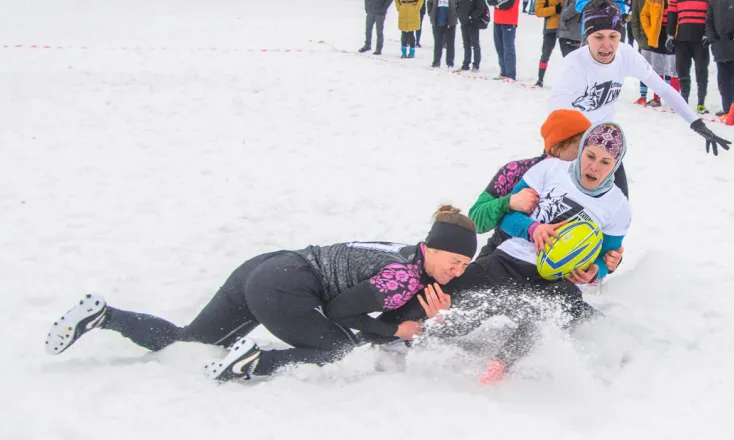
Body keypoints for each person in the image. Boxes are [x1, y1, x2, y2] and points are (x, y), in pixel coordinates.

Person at [45, 206, 478, 382]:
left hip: (268, 268)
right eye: (454, 262)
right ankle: (253, 362)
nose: (456, 272)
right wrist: (392, 331)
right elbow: (339, 310)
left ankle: (104, 316)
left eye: (462, 267)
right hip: (287, 285)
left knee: (189, 342)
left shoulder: (404, 254)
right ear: (433, 247)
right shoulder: (402, 276)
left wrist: (415, 320)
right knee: (336, 349)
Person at [407, 123, 631, 384]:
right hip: (507, 261)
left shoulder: (618, 205)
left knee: (554, 311)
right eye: (590, 156)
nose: (594, 167)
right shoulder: (548, 170)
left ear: (615, 166)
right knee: (451, 295)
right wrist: (532, 229)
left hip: (555, 280)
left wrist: (595, 271)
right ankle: (407, 329)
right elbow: (507, 217)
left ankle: (501, 363)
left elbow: (607, 257)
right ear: (581, 151)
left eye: (605, 162)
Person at [546, 0, 731, 208]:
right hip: (571, 144)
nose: (606, 45)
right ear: (587, 36)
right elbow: (556, 115)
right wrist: (567, 152)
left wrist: (696, 123)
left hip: (604, 144)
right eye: (598, 37)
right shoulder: (573, 66)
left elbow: (663, 89)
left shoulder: (626, 55)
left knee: (619, 208)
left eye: (613, 36)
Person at [469, 109, 594, 258]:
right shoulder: (516, 171)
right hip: (501, 259)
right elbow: (474, 219)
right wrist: (507, 202)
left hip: (555, 268)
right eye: (580, 147)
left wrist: (608, 260)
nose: (587, 155)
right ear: (556, 148)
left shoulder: (593, 181)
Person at [667, 0, 711, 114]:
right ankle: (684, 101)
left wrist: (708, 33)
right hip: (682, 38)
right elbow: (672, 13)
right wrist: (670, 35)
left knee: (701, 71)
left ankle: (701, 103)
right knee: (682, 71)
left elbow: (712, 13)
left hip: (701, 39)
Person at [640, 0, 681, 107]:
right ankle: (656, 99)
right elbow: (644, 15)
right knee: (657, 69)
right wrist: (650, 31)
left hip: (673, 37)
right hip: (657, 38)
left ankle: (675, 101)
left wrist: (678, 32)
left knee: (673, 69)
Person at [535, 0, 564, 87]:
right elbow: (538, 11)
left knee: (569, 57)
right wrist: (554, 9)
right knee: (545, 54)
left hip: (566, 28)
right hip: (550, 28)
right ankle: (540, 79)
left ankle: (569, 81)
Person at [457, 0, 489, 71]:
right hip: (464, 22)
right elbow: (458, 5)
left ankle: (476, 65)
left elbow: (481, 7)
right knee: (466, 44)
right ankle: (466, 64)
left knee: (475, 44)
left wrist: (472, 16)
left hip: (473, 23)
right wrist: (460, 15)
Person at [493, 0, 521, 80]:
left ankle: (510, 75)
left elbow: (509, 3)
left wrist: (497, 4)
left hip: (509, 20)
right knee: (499, 47)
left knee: (508, 49)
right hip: (497, 20)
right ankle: (503, 72)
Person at [429, 0, 459, 68]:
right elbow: (429, 3)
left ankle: (450, 63)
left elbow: (459, 4)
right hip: (437, 21)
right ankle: (436, 62)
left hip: (451, 21)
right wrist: (431, 14)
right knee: (437, 42)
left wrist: (456, 14)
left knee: (450, 43)